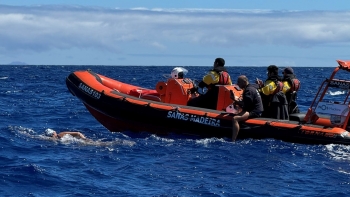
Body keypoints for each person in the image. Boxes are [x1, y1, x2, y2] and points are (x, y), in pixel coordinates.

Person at [231, 75, 263, 141]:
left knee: (235, 119)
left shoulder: (248, 91)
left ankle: (233, 140)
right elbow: (258, 85)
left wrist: (235, 99)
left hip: (255, 111)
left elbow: (245, 105)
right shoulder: (252, 86)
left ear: (244, 82)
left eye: (239, 82)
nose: (237, 84)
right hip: (256, 109)